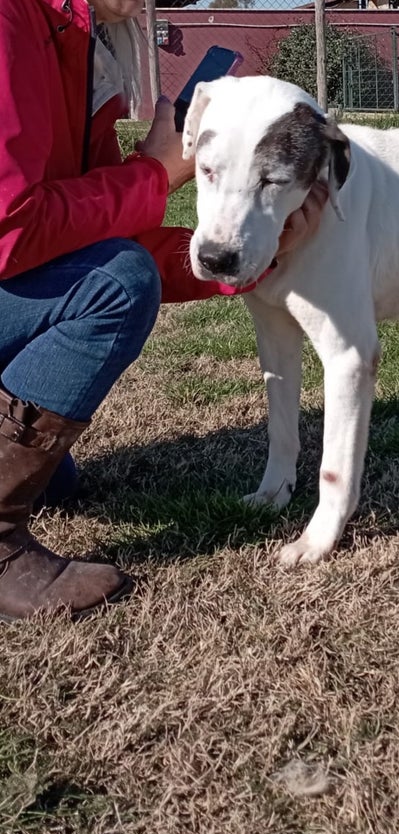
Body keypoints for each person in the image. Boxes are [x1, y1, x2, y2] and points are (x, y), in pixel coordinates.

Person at [0, 0, 327, 621]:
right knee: (117, 285)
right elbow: (11, 230)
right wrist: (155, 174)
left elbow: (95, 241)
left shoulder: (81, 36)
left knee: (56, 482)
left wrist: (248, 258)